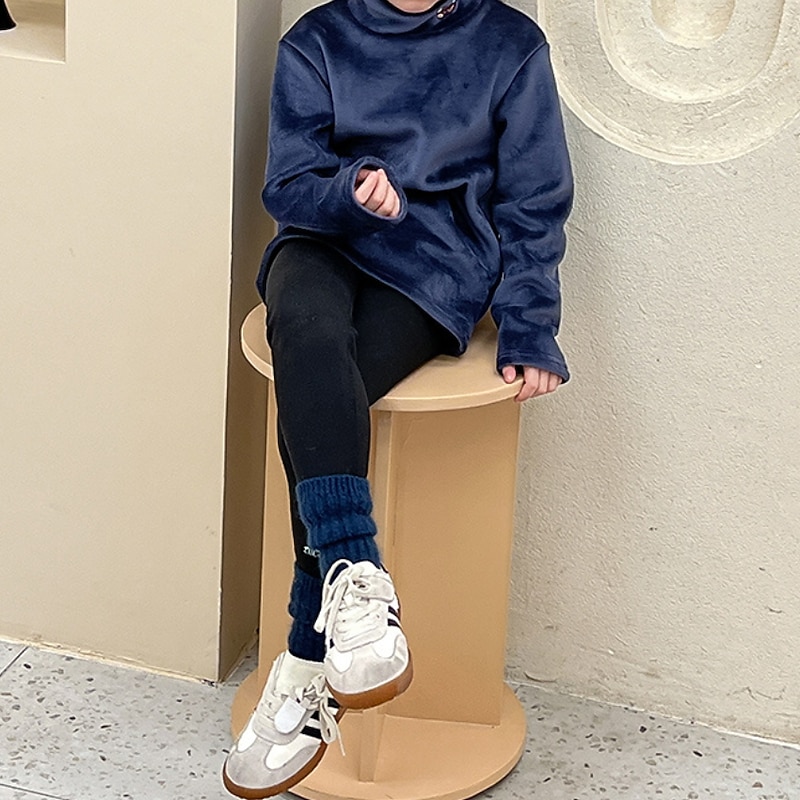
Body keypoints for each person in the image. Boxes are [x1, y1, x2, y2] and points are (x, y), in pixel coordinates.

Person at [222, 0, 572, 794]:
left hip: (432, 273)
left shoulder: (511, 46)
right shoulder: (317, 41)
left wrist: (528, 325)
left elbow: (533, 203)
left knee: (320, 402)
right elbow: (288, 186)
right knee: (305, 330)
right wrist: (349, 192)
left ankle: (305, 661)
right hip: (320, 246)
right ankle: (358, 579)